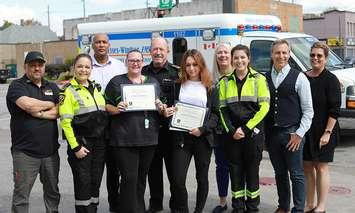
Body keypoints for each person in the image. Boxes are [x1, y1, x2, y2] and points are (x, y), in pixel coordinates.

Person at [105, 49, 164, 213]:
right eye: (132, 60)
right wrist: (116, 109)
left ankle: (139, 208)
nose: (135, 63)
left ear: (142, 62)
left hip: (148, 138)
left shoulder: (152, 82)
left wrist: (160, 106)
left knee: (140, 178)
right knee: (129, 178)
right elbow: (106, 105)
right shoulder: (116, 82)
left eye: (138, 60)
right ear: (126, 62)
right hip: (124, 139)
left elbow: (160, 104)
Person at [165, 49, 219, 213]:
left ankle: (198, 210)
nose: (191, 68)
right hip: (181, 138)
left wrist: (202, 129)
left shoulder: (210, 87)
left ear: (201, 65)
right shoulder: (177, 85)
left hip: (203, 139)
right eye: (187, 65)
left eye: (195, 64)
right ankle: (184, 209)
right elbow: (169, 108)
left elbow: (216, 115)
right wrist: (168, 112)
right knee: (178, 180)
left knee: (202, 178)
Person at [6, 51, 60, 213]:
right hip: (25, 153)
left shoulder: (52, 86)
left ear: (44, 67)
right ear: (25, 67)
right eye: (33, 65)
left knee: (52, 194)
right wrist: (50, 103)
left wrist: (40, 112)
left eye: (40, 65)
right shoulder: (17, 85)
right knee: (21, 197)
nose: (37, 68)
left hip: (50, 152)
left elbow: (59, 111)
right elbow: (28, 105)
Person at [219, 44, 270, 213]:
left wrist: (246, 129)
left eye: (243, 57)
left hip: (252, 135)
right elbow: (222, 109)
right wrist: (232, 130)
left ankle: (252, 207)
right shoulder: (225, 82)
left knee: (252, 173)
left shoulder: (259, 79)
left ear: (248, 59)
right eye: (236, 58)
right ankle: (238, 207)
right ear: (232, 60)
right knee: (235, 172)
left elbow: (264, 108)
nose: (239, 60)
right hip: (233, 136)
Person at [264, 39, 314, 213]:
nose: (281, 56)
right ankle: (283, 206)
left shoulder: (299, 77)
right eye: (277, 52)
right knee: (279, 173)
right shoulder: (264, 77)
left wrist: (299, 134)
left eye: (284, 52)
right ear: (272, 54)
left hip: (292, 133)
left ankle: (298, 209)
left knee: (296, 174)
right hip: (272, 134)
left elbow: (308, 111)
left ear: (289, 54)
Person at [59, 53, 108, 213]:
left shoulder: (96, 88)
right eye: (80, 66)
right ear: (74, 68)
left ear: (91, 69)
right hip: (82, 145)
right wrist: (76, 147)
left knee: (95, 181)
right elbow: (65, 123)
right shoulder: (68, 91)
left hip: (99, 144)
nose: (83, 70)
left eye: (87, 67)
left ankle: (92, 209)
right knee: (83, 183)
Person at [90, 33, 127, 213]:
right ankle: (91, 206)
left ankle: (115, 206)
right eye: (98, 42)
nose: (101, 45)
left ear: (109, 45)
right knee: (94, 171)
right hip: (93, 126)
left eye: (104, 42)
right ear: (92, 45)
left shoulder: (120, 67)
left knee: (114, 170)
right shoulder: (86, 67)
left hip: (115, 125)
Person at [303, 42, 341, 213]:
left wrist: (327, 133)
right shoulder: (303, 77)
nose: (315, 58)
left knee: (321, 167)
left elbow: (335, 110)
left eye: (319, 56)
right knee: (307, 167)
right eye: (313, 55)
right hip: (307, 130)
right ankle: (309, 204)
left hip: (325, 129)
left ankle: (321, 206)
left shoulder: (331, 80)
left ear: (326, 59)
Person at [142, 36, 179, 213]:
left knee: (174, 173)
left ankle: (175, 204)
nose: (158, 52)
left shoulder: (177, 72)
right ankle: (155, 204)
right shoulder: (142, 72)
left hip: (172, 131)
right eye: (154, 49)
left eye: (161, 49)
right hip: (151, 130)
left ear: (167, 51)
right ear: (150, 51)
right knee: (153, 171)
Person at [211, 43, 234, 213]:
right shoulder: (212, 80)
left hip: (237, 131)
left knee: (239, 167)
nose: (223, 55)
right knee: (222, 167)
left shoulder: (239, 75)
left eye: (226, 52)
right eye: (219, 53)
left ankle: (240, 200)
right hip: (219, 131)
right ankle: (222, 201)